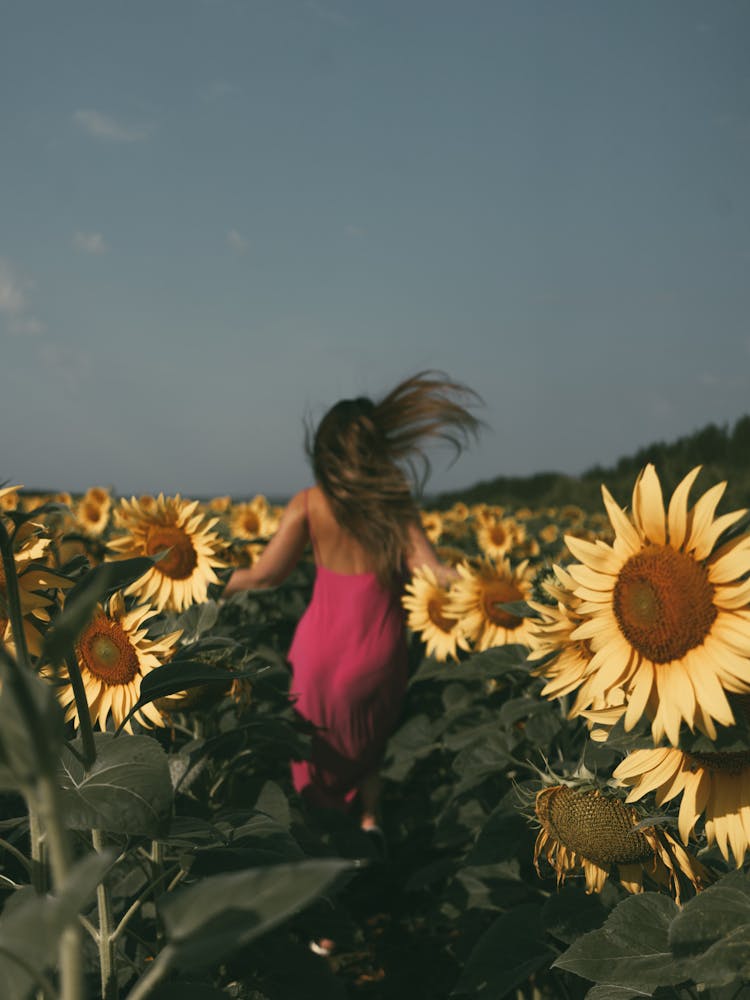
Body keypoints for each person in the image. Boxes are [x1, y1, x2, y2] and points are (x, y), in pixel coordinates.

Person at [223, 371, 482, 836]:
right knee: (369, 752)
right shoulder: (394, 504)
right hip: (376, 654)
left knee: (312, 754)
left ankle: (317, 850)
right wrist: (492, 590)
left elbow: (263, 577)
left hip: (318, 655)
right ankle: (369, 824)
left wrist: (196, 579)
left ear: (325, 450)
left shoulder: (308, 503)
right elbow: (432, 573)